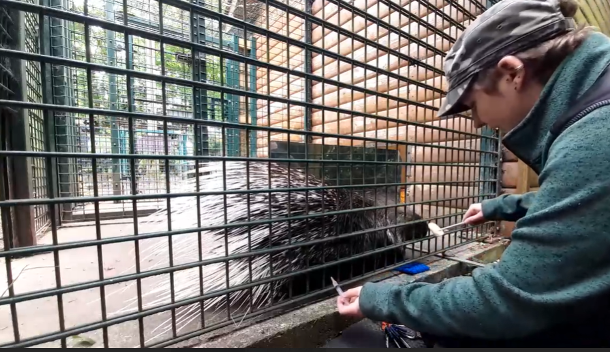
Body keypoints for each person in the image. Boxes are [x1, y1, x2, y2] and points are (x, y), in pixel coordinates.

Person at [336, 0, 610, 348]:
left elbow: (510, 301)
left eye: (471, 104)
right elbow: (581, 203)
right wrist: (499, 207)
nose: (478, 122)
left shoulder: (595, 137)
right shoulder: (594, 110)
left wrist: (383, 299)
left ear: (512, 73)